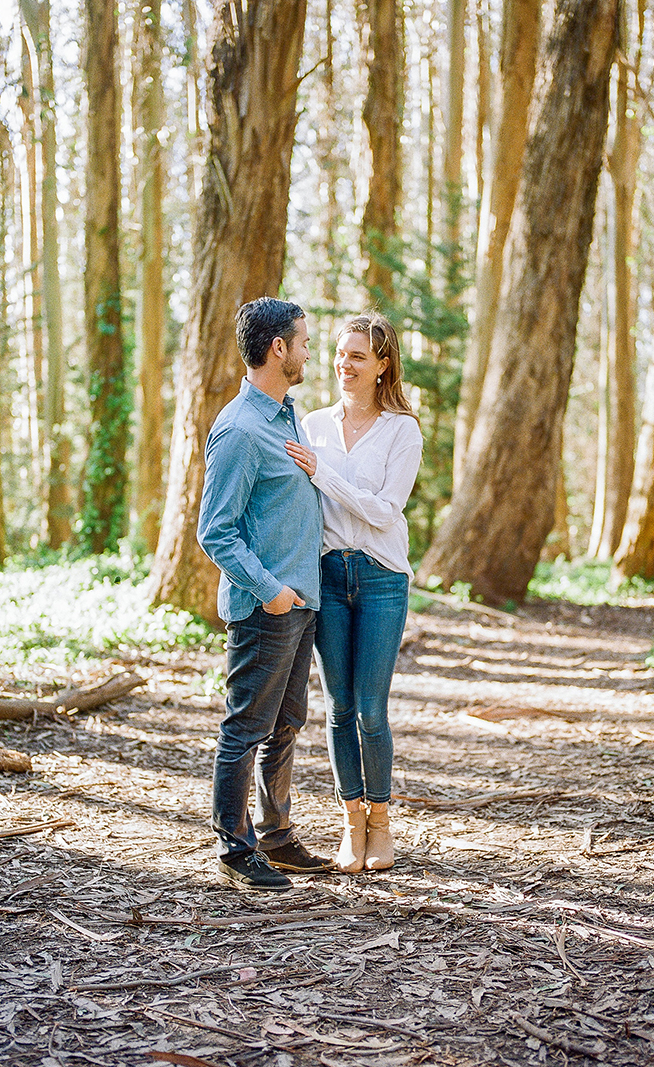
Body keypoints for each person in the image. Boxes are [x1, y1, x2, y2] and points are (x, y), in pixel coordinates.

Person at [197, 296, 332, 892]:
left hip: (301, 604)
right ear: (278, 348)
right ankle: (235, 844)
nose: (308, 351)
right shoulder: (240, 430)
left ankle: (275, 835)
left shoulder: (285, 417)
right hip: (266, 607)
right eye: (303, 341)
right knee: (246, 727)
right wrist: (271, 590)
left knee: (287, 723)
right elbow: (214, 530)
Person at [285, 312, 423, 873]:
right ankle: (351, 822)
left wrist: (325, 474)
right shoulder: (309, 422)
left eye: (359, 356)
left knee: (371, 709)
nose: (345, 364)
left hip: (381, 577)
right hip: (327, 577)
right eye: (341, 354)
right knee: (338, 707)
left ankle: (382, 822)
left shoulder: (401, 430)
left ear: (383, 365)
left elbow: (386, 511)